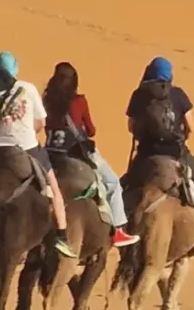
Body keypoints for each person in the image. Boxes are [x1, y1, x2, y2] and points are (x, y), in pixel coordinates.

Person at [0, 51, 76, 258]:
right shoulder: (27, 89)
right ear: (15, 70)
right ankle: (62, 236)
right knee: (54, 188)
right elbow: (40, 123)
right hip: (26, 149)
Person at [42, 62, 136, 249]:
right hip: (76, 152)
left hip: (50, 153)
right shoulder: (79, 102)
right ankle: (117, 230)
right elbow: (91, 131)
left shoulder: (46, 101)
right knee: (112, 182)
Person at [125, 56, 194, 245]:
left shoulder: (138, 94)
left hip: (146, 155)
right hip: (176, 153)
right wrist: (181, 138)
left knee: (123, 187)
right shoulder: (178, 94)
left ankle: (118, 229)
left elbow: (131, 127)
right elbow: (191, 126)